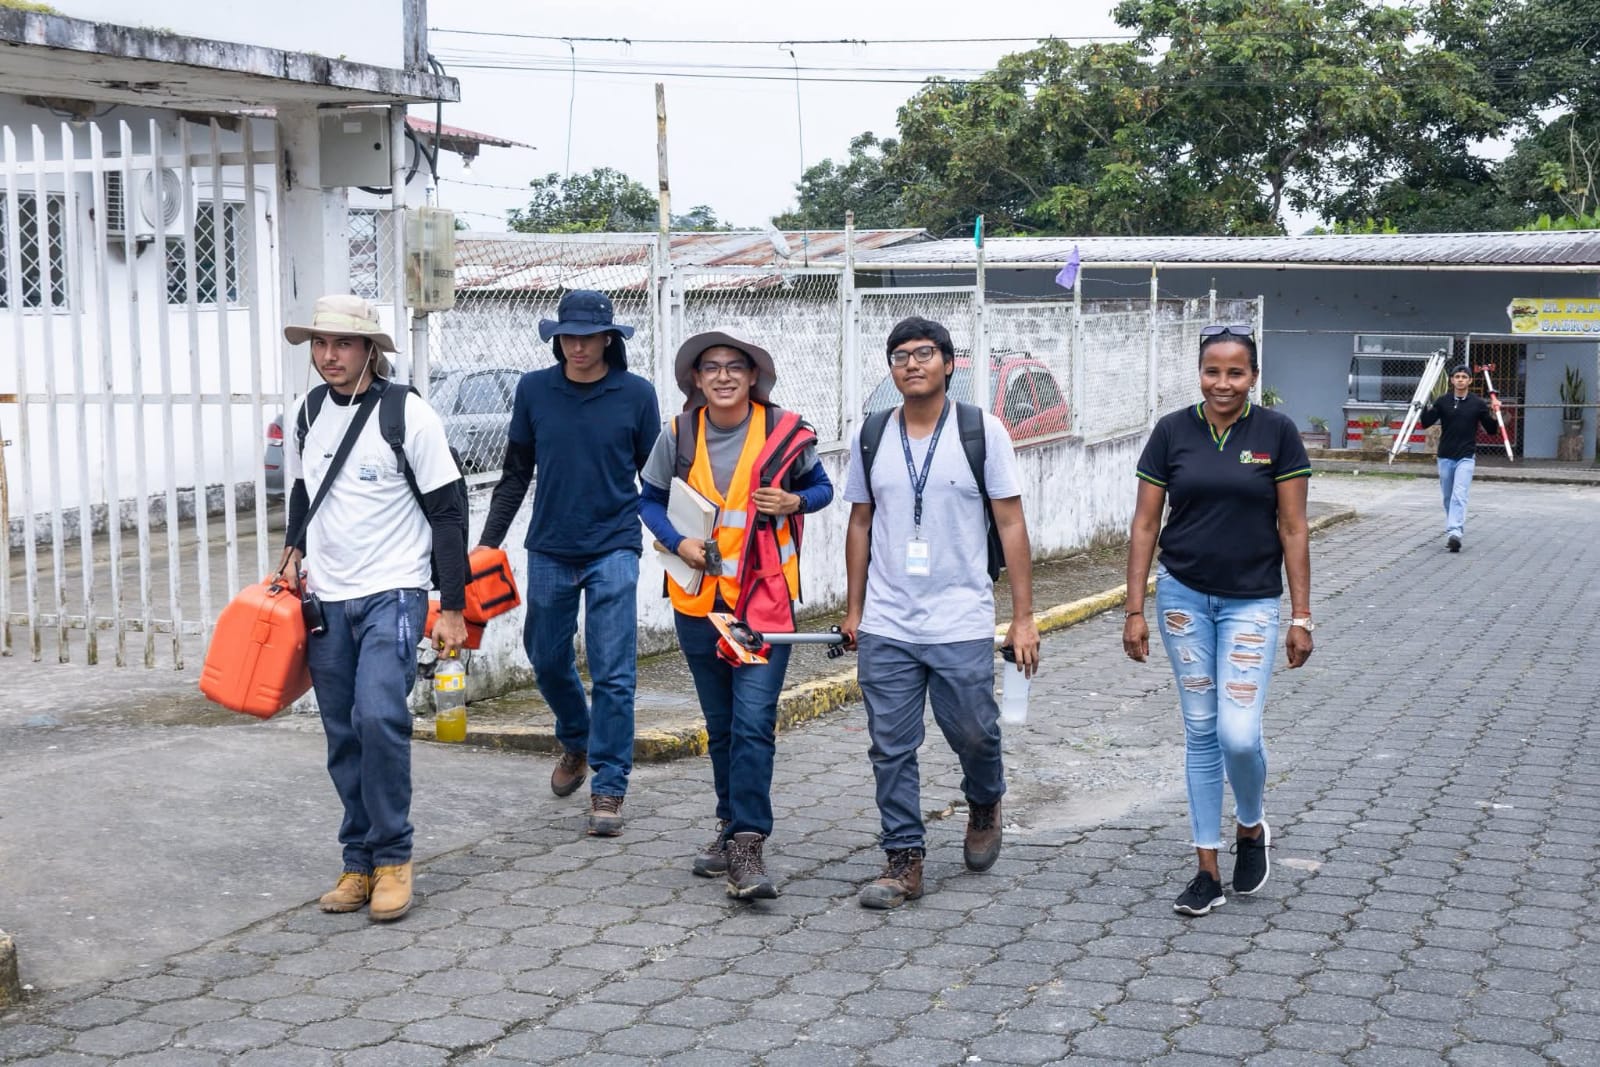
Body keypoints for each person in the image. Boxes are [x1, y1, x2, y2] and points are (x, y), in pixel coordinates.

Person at [280, 294, 469, 923]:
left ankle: (393, 857)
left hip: (395, 590)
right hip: (326, 598)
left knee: (380, 715)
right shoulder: (308, 411)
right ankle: (357, 860)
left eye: (342, 344)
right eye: (320, 344)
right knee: (342, 731)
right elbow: (304, 489)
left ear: (369, 350)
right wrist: (292, 550)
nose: (328, 356)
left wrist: (451, 605)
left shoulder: (407, 414)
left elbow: (448, 512)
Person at [840, 315, 1039, 911]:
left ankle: (984, 798)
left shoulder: (982, 430)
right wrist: (855, 609)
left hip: (960, 617)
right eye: (900, 355)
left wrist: (1024, 617)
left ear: (949, 364)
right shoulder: (871, 434)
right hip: (888, 621)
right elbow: (859, 522)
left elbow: (1011, 522)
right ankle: (904, 859)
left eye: (925, 353)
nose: (912, 364)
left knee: (973, 732)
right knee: (890, 746)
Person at [1122, 323, 1313, 918]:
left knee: (1238, 733)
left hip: (1251, 603)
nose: (1222, 383)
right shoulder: (1171, 431)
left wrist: (1302, 615)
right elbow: (1145, 525)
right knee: (1202, 730)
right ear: (1199, 373)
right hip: (1182, 599)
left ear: (1253, 376)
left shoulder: (1277, 433)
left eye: (1235, 372)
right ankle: (1206, 867)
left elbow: (1293, 528)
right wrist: (1134, 608)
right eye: (1212, 371)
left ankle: (1250, 824)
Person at [639, 331, 834, 900]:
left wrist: (796, 501)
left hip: (763, 601)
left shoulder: (784, 432)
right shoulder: (678, 434)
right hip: (699, 603)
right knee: (722, 724)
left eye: (734, 367)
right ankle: (728, 828)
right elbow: (647, 498)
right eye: (711, 368)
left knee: (752, 722)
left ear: (753, 378)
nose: (723, 376)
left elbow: (821, 488)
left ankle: (748, 843)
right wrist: (678, 541)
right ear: (696, 380)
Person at [477, 290, 661, 837]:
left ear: (608, 339)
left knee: (613, 672)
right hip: (550, 547)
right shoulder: (534, 390)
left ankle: (609, 785)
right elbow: (515, 474)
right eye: (567, 337)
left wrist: (675, 538)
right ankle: (577, 738)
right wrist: (487, 544)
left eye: (587, 337)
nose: (577, 347)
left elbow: (654, 479)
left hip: (614, 545)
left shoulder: (637, 394)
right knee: (546, 657)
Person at [1419, 365, 1501, 553]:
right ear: (1452, 380)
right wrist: (1422, 405)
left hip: (1466, 456)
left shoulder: (1477, 403)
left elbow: (1491, 430)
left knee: (1459, 495)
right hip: (1445, 456)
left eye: (1464, 376)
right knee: (1448, 497)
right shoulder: (1443, 401)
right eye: (1457, 376)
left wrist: (1495, 413)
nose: (1461, 379)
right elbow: (1426, 422)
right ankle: (1453, 528)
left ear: (1470, 380)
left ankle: (1455, 533)